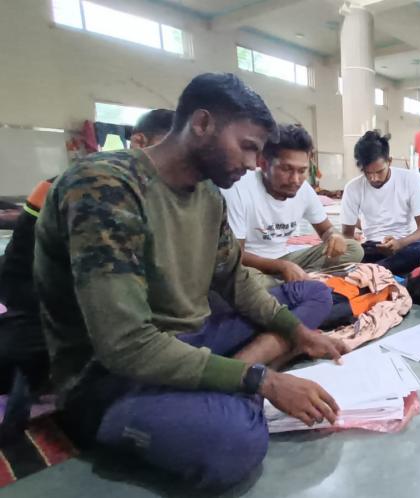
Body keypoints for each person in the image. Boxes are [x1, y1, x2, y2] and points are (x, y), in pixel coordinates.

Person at [34, 74, 348, 489]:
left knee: (313, 293)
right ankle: (231, 385)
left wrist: (298, 332)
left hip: (193, 338)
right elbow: (125, 345)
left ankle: (228, 378)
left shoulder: (207, 196)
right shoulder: (106, 186)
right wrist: (262, 380)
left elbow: (237, 284)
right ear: (201, 124)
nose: (254, 164)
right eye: (248, 147)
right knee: (232, 445)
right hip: (109, 379)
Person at [0, 108, 174, 394]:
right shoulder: (61, 187)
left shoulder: (157, 196)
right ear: (139, 142)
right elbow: (21, 282)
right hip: (42, 312)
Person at [222, 124, 363, 287]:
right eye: (286, 169)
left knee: (353, 248)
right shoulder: (238, 189)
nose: (295, 180)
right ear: (263, 163)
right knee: (240, 281)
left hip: (284, 260)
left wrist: (334, 237)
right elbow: (234, 257)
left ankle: (291, 283)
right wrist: (282, 267)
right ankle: (298, 282)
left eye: (302, 171)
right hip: (250, 265)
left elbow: (326, 230)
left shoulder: (304, 190)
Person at [341, 131, 420, 276]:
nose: (374, 178)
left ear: (389, 161)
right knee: (347, 254)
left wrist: (400, 243)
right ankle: (376, 270)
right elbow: (347, 235)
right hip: (372, 248)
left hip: (406, 245)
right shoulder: (352, 188)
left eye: (379, 171)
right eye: (368, 173)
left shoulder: (410, 179)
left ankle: (371, 271)